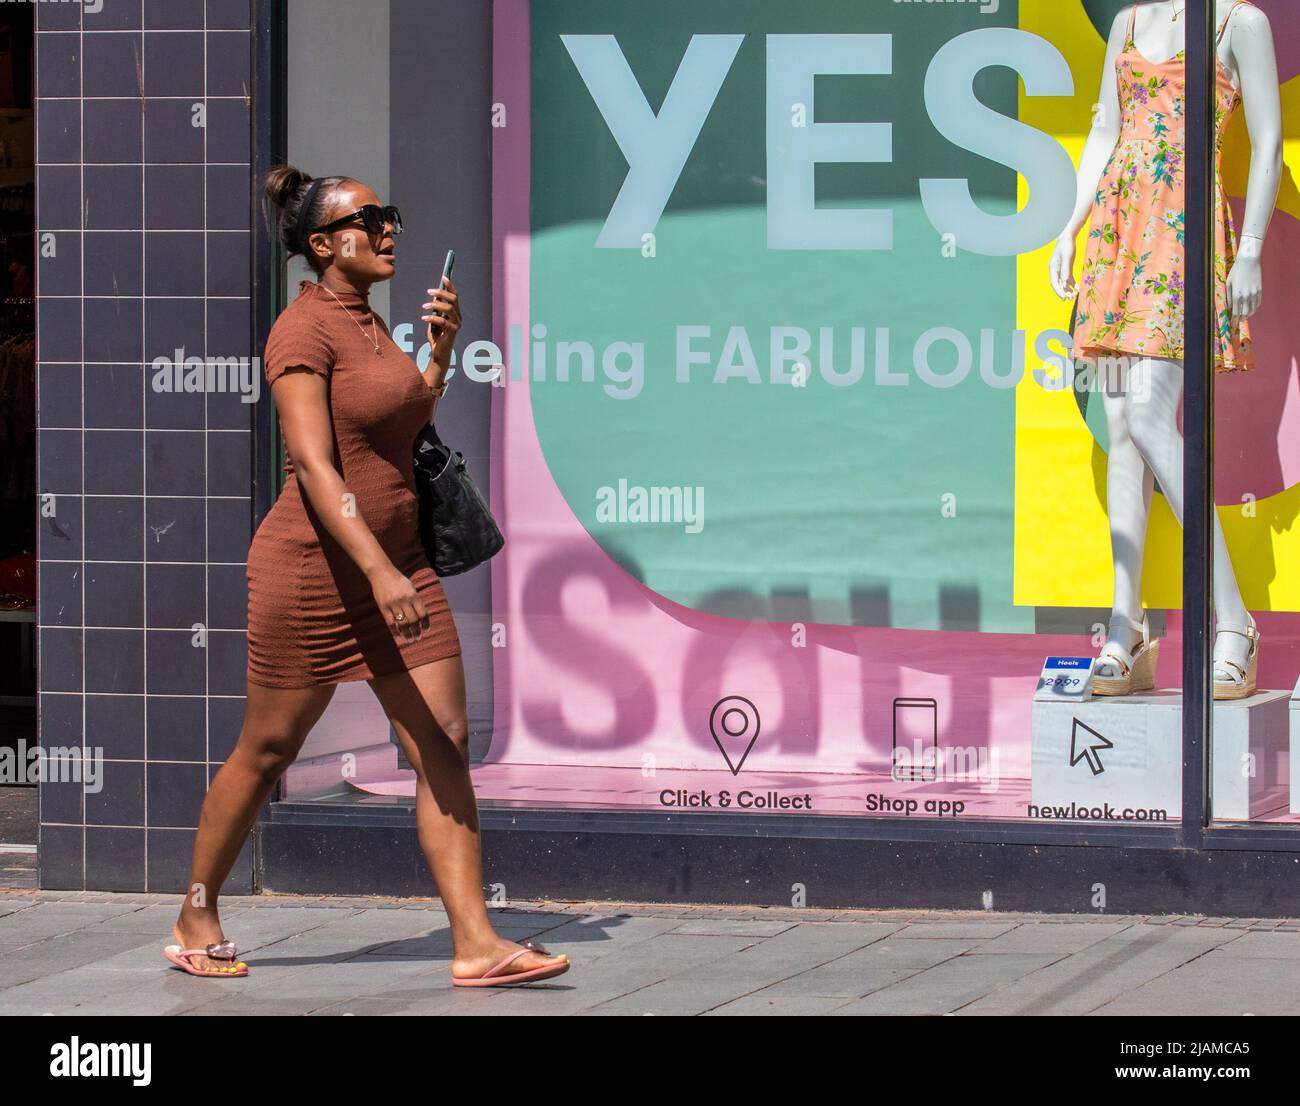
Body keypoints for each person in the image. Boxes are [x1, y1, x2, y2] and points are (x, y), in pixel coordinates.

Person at [164, 165, 569, 988]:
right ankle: (195, 912)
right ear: (322, 244)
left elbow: (400, 419)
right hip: (316, 571)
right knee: (269, 748)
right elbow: (313, 464)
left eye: (391, 215)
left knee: (443, 741)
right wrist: (379, 570)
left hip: (399, 565)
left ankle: (476, 943)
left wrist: (443, 351)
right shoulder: (302, 329)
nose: (388, 229)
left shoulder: (372, 326)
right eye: (369, 218)